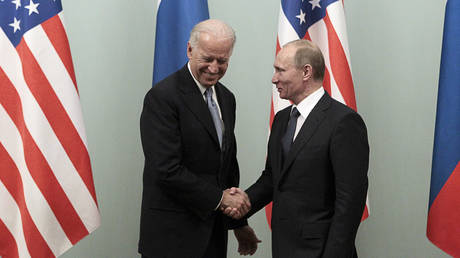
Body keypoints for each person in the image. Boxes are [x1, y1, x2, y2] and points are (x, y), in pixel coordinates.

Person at [226, 39, 369, 258]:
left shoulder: (344, 122)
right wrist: (240, 204)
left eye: (280, 70)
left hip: (322, 250)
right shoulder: (283, 118)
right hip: (284, 246)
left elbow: (349, 201)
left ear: (306, 72)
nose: (274, 79)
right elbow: (273, 179)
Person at [138, 19, 260, 258]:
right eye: (208, 59)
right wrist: (220, 199)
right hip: (171, 239)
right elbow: (166, 169)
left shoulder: (227, 98)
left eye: (222, 61)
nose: (214, 68)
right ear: (190, 50)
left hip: (213, 236)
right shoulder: (162, 97)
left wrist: (238, 223)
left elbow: (226, 165)